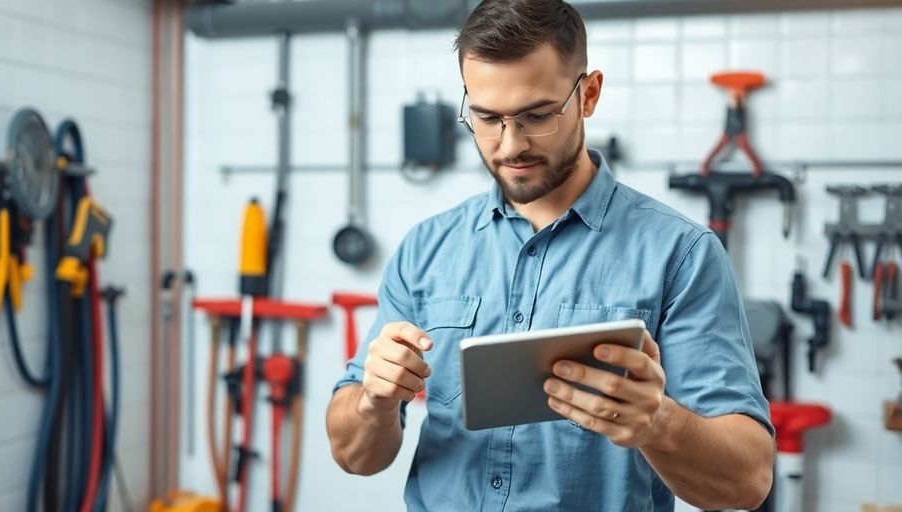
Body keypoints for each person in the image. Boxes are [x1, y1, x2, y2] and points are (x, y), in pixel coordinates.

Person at [325, 1, 774, 510]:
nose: (510, 145)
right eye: (487, 118)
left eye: (537, 115)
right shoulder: (426, 249)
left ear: (588, 94)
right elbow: (353, 456)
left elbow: (748, 482)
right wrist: (374, 403)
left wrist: (659, 423)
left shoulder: (682, 255)